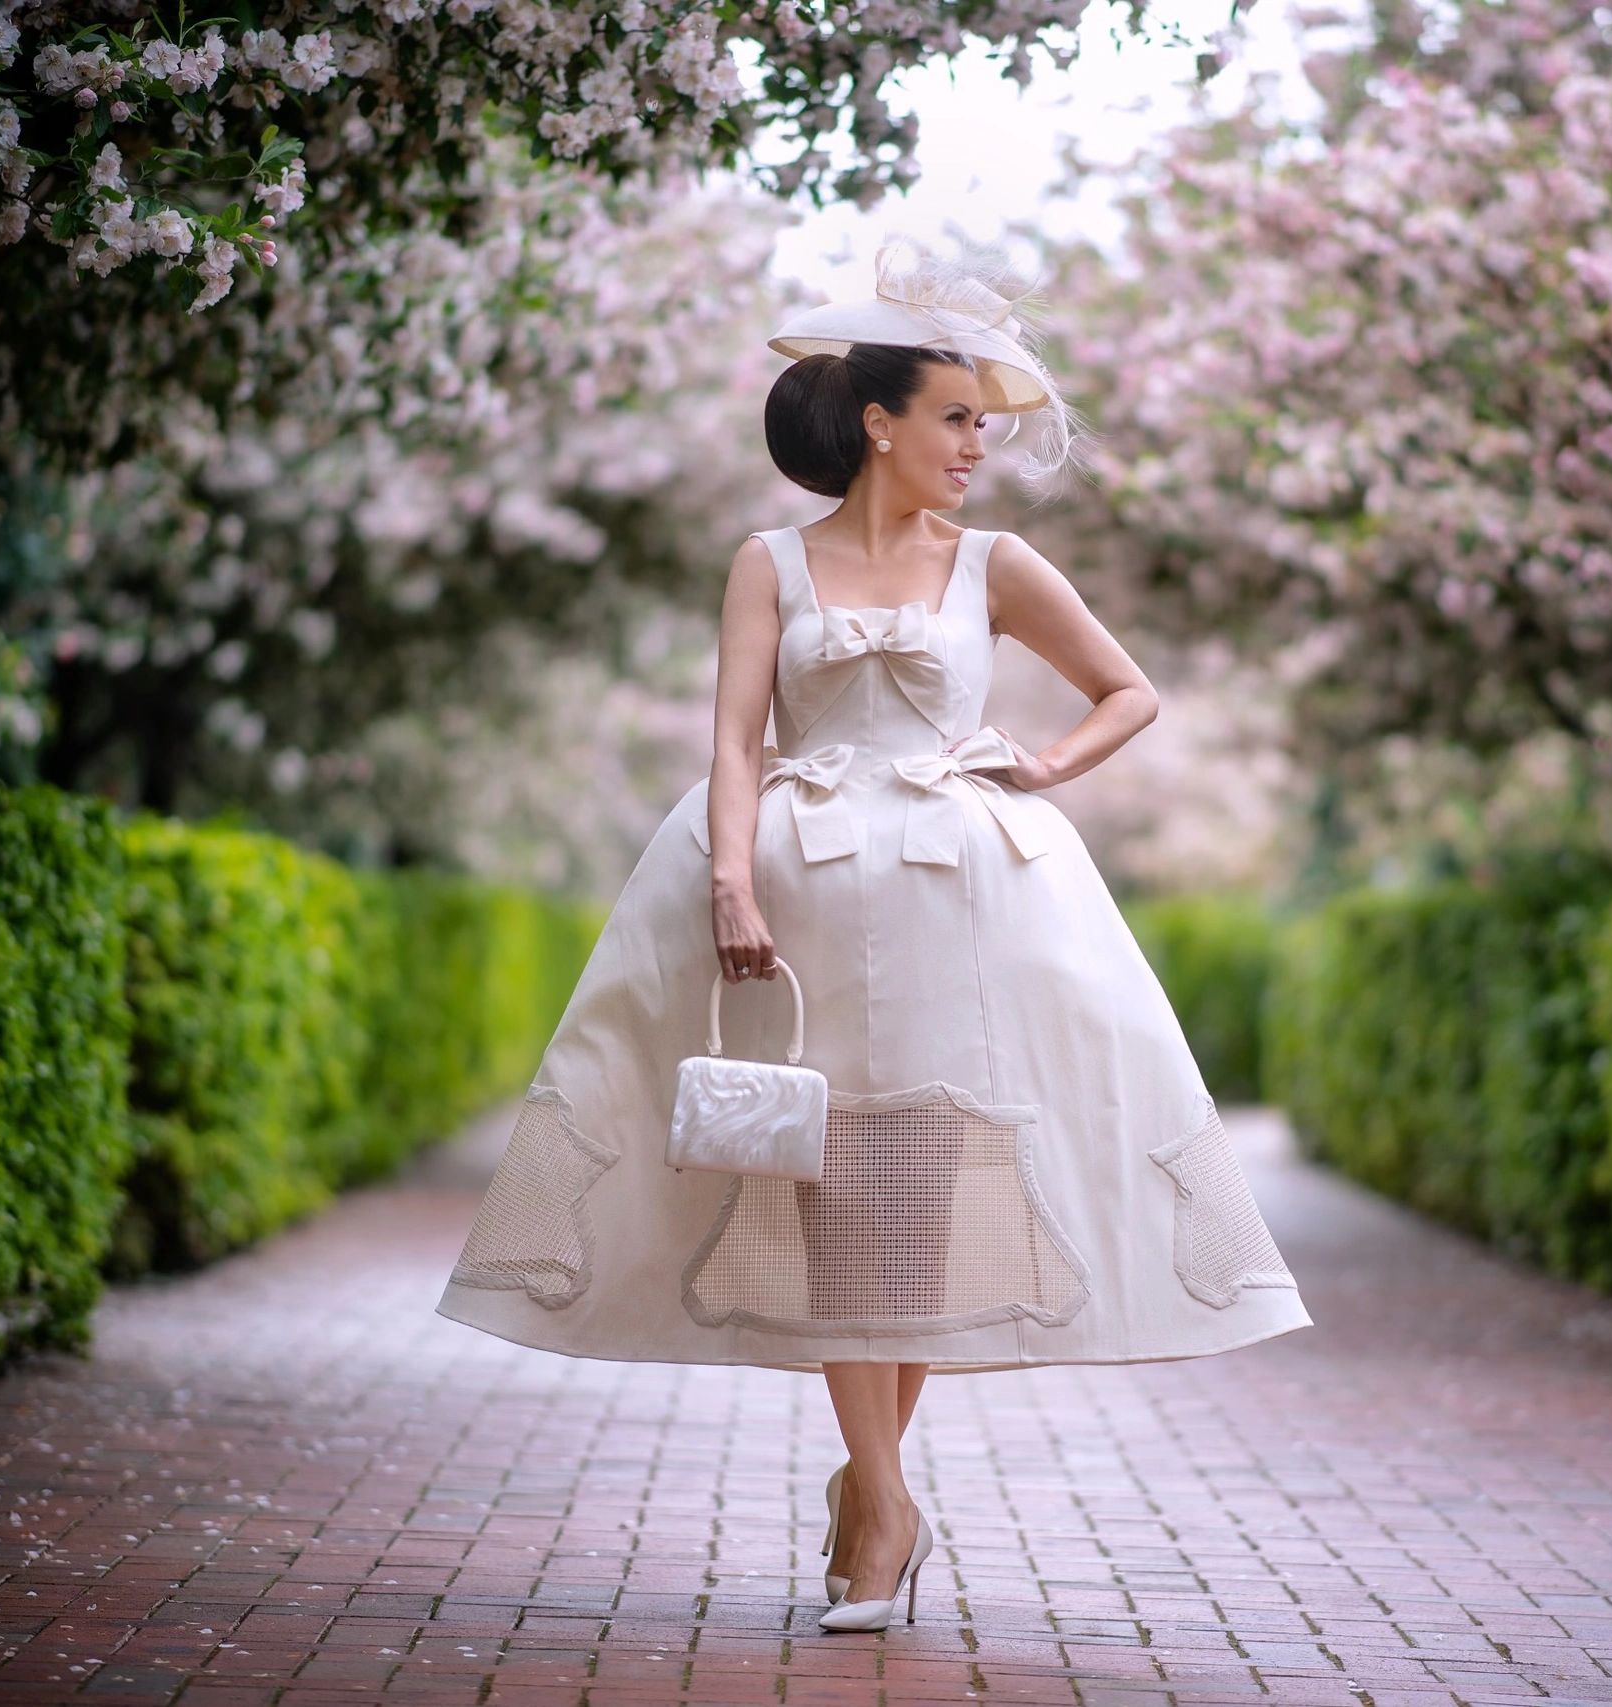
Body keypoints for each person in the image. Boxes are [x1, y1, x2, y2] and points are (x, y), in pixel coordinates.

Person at [435, 236, 1312, 1633]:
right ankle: (885, 1495)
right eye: (959, 418)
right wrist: (730, 882)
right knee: (828, 1173)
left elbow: (1126, 692)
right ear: (877, 422)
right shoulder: (766, 564)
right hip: (800, 888)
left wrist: (1040, 765)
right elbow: (732, 739)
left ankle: (875, 1493)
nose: (979, 445)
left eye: (987, 422)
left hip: (970, 896)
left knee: (919, 1177)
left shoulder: (999, 564)